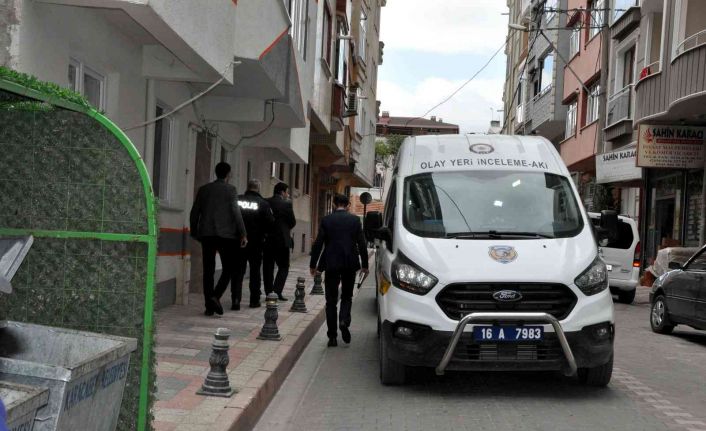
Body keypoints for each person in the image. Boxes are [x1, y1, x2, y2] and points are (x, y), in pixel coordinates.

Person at [310, 194, 369, 347]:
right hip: (350, 263)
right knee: (347, 296)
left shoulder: (327, 220)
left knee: (330, 301)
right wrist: (365, 265)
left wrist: (313, 264)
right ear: (348, 205)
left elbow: (318, 243)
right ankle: (343, 320)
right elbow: (362, 243)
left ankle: (332, 337)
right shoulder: (355, 220)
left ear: (334, 205)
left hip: (331, 263)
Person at [189, 162, 247, 316]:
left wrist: (194, 231)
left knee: (208, 270)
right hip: (226, 236)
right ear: (228, 174)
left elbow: (195, 211)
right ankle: (215, 296)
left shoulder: (204, 189)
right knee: (229, 268)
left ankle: (209, 306)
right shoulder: (231, 190)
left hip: (207, 235)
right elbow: (236, 212)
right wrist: (243, 233)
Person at [234, 179, 274, 309]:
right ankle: (254, 300)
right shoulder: (263, 203)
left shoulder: (238, 199)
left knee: (238, 271)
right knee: (255, 272)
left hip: (239, 240)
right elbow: (270, 223)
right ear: (258, 188)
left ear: (248, 187)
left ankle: (236, 300)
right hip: (256, 242)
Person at [263, 182, 296, 301]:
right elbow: (292, 222)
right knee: (284, 266)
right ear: (282, 192)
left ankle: (268, 292)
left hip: (268, 239)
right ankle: (277, 291)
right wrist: (285, 228)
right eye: (287, 192)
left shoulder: (265, 202)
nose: (288, 195)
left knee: (268, 267)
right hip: (282, 240)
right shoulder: (287, 204)